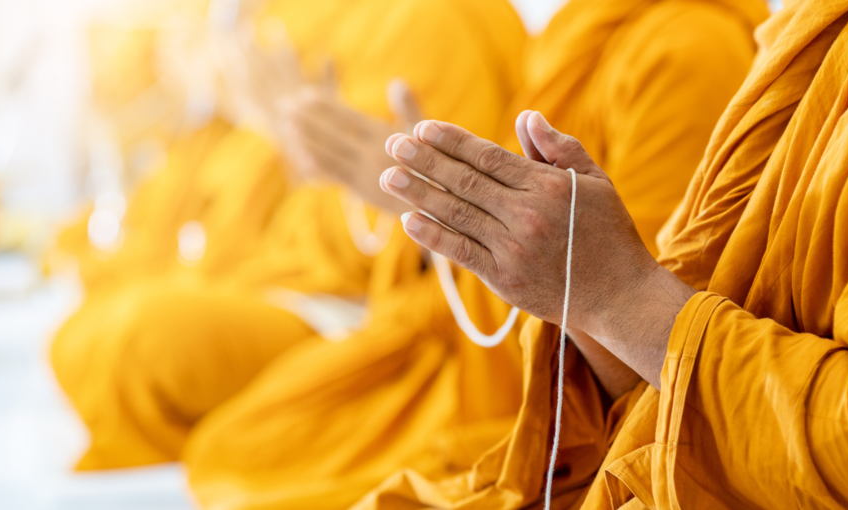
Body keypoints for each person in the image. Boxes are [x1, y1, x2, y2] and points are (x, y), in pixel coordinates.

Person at [372, 0, 848, 508]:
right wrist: (578, 293)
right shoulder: (814, 27)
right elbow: (655, 363)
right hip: (637, 445)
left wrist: (616, 295)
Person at [183, 0, 766, 508]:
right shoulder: (569, 38)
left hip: (545, 392)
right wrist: (403, 196)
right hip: (453, 332)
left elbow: (646, 321)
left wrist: (438, 208)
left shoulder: (687, 49)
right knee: (234, 446)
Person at [50, 0, 524, 471]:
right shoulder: (289, 22)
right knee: (79, 334)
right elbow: (259, 197)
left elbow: (450, 240)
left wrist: (306, 151)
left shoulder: (429, 20)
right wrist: (264, 128)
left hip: (358, 311)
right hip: (275, 275)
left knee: (136, 345)